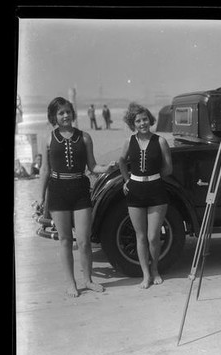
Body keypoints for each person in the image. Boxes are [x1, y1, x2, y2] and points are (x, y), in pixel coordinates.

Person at [37, 97, 115, 297]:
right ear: (54, 116)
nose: (65, 116)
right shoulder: (48, 138)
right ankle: (71, 283)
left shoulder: (85, 137)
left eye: (68, 112)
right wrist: (40, 198)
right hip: (57, 191)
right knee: (64, 240)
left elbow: (93, 167)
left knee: (84, 240)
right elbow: (45, 170)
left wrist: (108, 168)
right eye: (61, 113)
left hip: (80, 190)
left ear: (72, 113)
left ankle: (88, 280)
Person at [118, 102, 173, 289]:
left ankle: (155, 268)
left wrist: (153, 177)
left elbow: (168, 168)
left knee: (152, 236)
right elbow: (121, 161)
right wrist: (127, 180)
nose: (142, 123)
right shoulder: (129, 141)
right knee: (140, 236)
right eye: (138, 120)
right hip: (135, 192)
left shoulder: (161, 141)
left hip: (156, 191)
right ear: (132, 123)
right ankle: (146, 274)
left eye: (145, 119)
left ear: (150, 120)